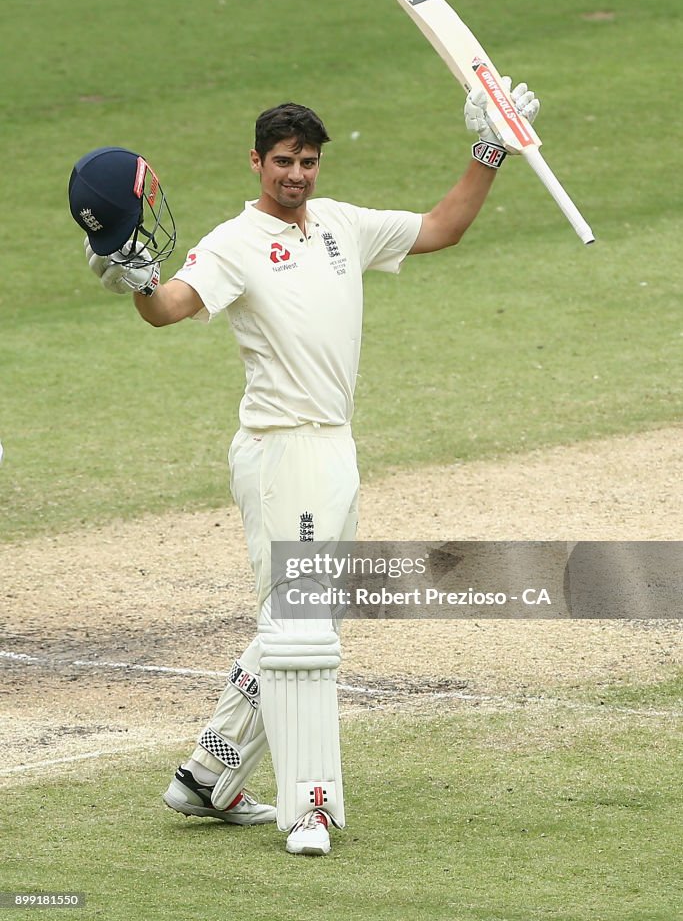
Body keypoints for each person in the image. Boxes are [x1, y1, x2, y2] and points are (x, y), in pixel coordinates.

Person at [69, 82, 539, 855]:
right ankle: (308, 809)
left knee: (305, 622)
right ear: (257, 162)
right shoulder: (233, 241)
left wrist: (491, 146)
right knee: (301, 627)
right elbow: (171, 308)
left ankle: (206, 775)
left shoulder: (343, 227)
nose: (296, 174)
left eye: (308, 162)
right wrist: (140, 281)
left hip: (334, 446)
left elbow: (441, 227)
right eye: (282, 161)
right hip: (280, 449)